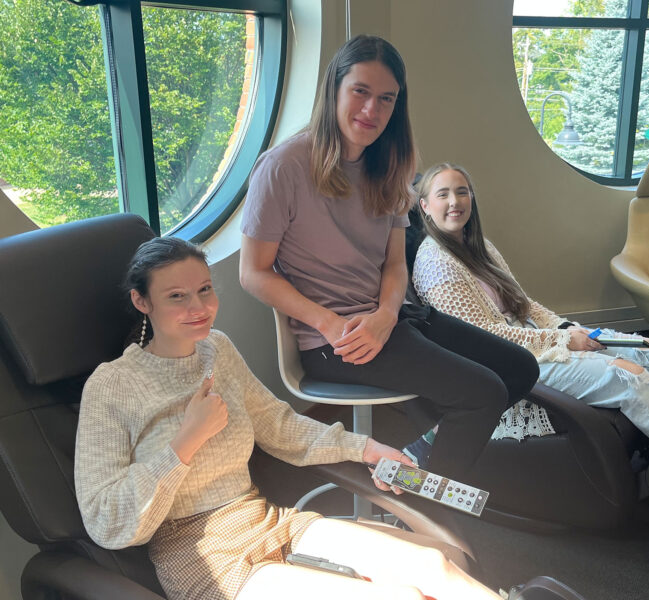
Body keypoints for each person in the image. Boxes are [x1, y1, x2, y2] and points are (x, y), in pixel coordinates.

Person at [75, 236, 508, 600]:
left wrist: (366, 447)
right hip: (199, 558)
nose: (199, 307)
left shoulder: (217, 350)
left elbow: (278, 425)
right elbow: (105, 519)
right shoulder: (112, 385)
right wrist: (185, 442)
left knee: (432, 566)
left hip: (267, 521)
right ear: (141, 301)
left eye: (205, 290)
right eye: (177, 296)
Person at [412, 162, 649, 520]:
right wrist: (563, 342)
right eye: (443, 194)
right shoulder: (435, 262)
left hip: (541, 340)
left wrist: (568, 328)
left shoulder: (479, 245)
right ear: (426, 206)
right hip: (511, 363)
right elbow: (485, 338)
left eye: (461, 192)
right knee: (629, 376)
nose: (455, 202)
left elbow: (524, 303)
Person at [239, 35, 538, 478]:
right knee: (483, 393)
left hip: (391, 319)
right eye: (360, 91)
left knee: (520, 368)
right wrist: (329, 322)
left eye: (386, 99)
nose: (371, 111)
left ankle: (416, 459)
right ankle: (430, 515)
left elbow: (395, 265)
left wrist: (385, 314)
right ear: (334, 90)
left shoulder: (392, 165)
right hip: (334, 341)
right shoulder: (283, 166)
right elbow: (253, 273)